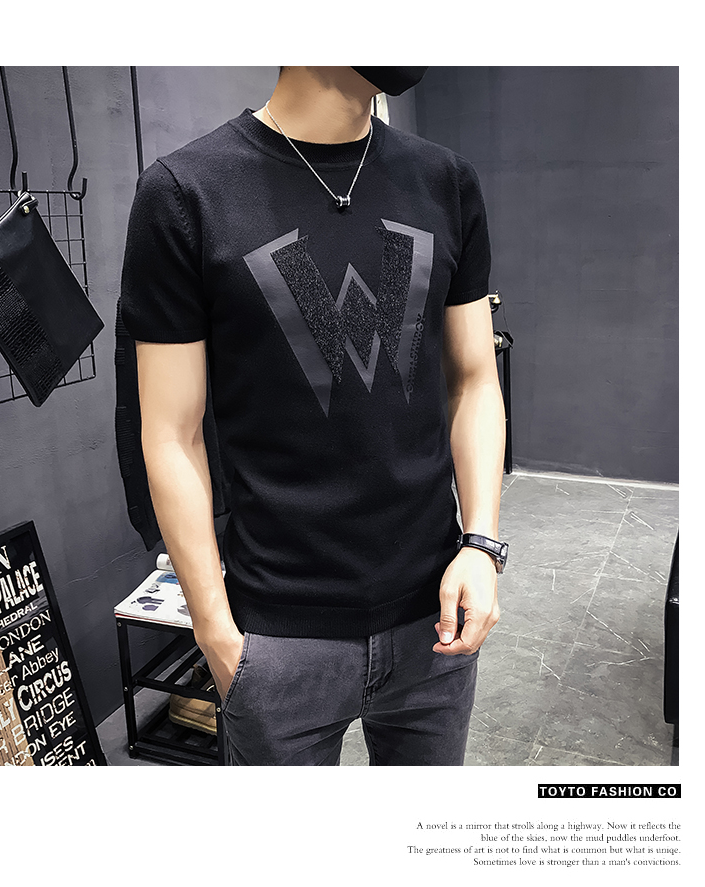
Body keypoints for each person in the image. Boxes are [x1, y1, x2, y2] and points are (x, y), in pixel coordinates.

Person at [120, 66, 507, 766]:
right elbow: (170, 433)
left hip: (436, 618)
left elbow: (475, 380)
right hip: (276, 637)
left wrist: (482, 545)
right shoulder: (186, 192)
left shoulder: (446, 182)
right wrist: (215, 631)